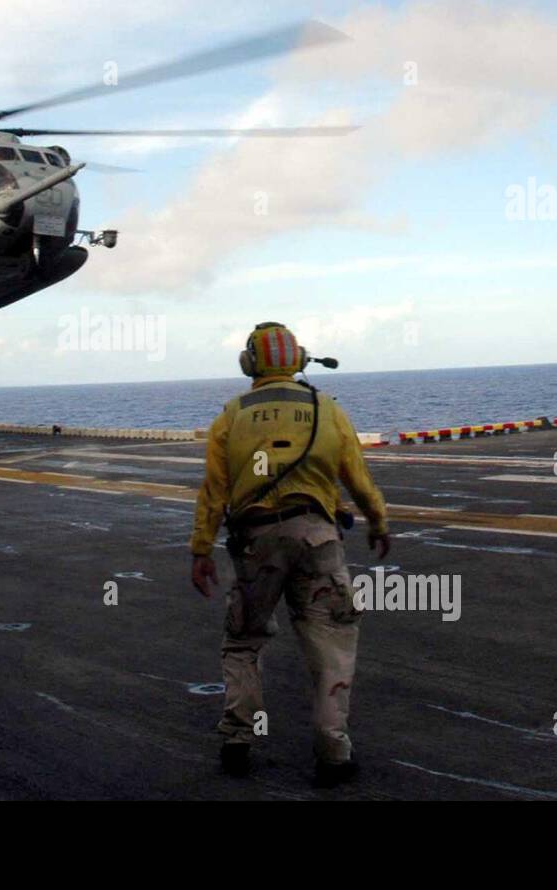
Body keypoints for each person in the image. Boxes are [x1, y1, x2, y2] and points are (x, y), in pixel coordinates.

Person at [190, 322, 390, 788]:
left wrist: (201, 550)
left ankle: (238, 740)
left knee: (243, 639)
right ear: (298, 359)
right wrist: (378, 522)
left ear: (250, 364)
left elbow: (214, 494)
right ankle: (333, 752)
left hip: (256, 543)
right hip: (319, 539)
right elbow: (358, 478)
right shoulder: (327, 409)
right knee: (331, 644)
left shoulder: (231, 416)